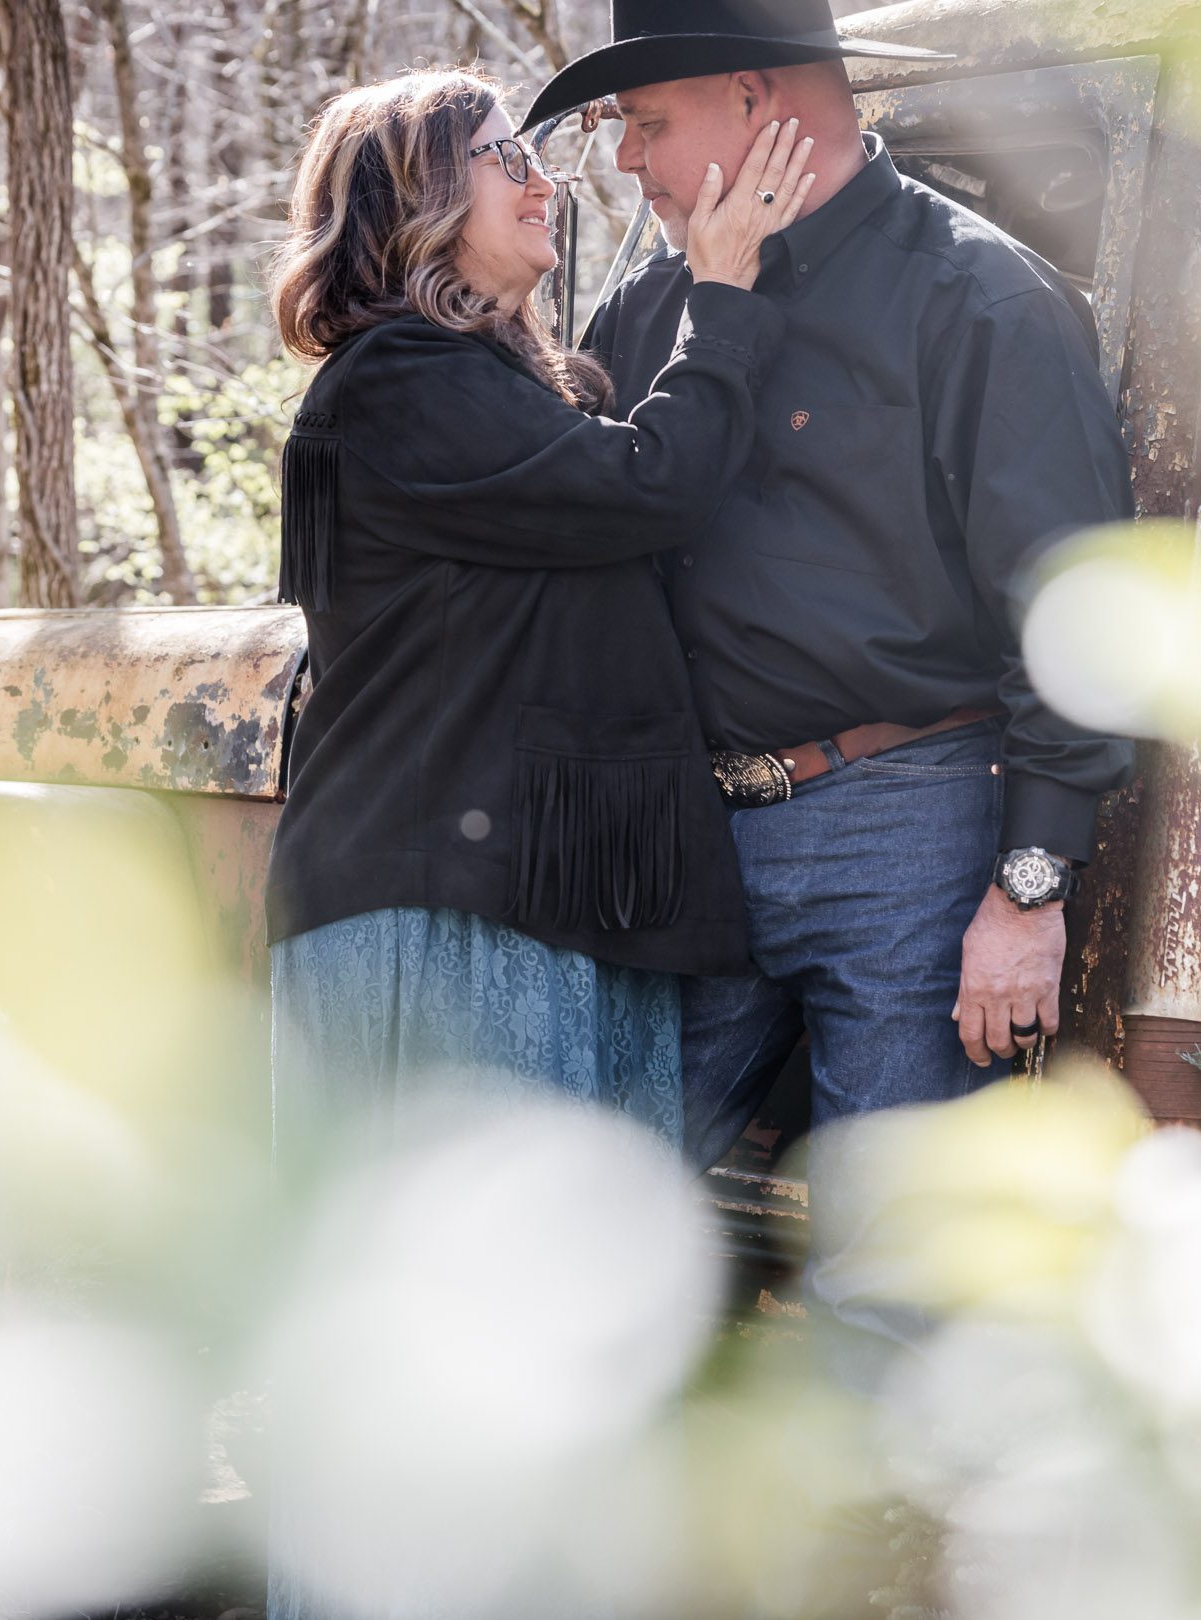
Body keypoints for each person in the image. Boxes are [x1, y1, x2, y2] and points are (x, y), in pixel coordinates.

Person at [523, 0, 1140, 1354]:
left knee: (890, 1273)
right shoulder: (646, 314)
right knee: (594, 1203)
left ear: (755, 99)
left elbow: (1080, 610)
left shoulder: (981, 300)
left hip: (909, 828)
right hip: (684, 833)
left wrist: (1028, 887)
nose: (625, 163)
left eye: (650, 121)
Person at [261, 66, 814, 1164]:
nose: (543, 182)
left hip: (517, 893)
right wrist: (722, 300)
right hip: (444, 910)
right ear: (418, 199)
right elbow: (649, 487)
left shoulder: (480, 385)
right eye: (506, 158)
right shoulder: (398, 381)